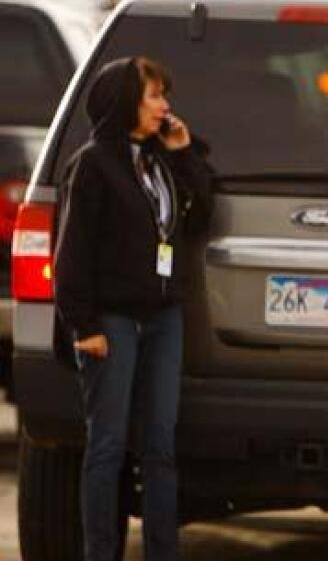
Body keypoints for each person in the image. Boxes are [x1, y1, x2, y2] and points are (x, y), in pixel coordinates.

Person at [55, 56, 214, 561]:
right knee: (106, 446)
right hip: (111, 322)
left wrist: (185, 155)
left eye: (165, 95)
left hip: (163, 318)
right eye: (154, 96)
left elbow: (199, 215)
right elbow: (71, 252)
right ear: (125, 101)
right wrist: (83, 325)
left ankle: (161, 553)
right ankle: (101, 553)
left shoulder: (160, 160)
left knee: (160, 448)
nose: (165, 105)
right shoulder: (93, 164)